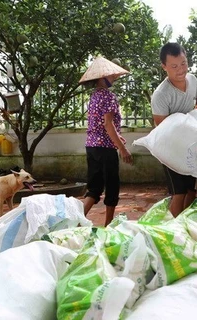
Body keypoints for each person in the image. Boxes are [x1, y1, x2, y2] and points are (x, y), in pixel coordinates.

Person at [151, 42, 197, 217]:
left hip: (189, 146)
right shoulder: (161, 94)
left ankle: (185, 226)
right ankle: (173, 234)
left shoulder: (192, 80)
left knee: (192, 190)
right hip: (168, 149)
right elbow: (163, 128)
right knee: (179, 193)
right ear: (164, 67)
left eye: (183, 63)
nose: (181, 70)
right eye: (174, 66)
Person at [78, 56, 133, 226]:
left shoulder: (94, 96)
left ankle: (75, 222)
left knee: (94, 189)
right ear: (102, 77)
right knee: (112, 187)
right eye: (111, 76)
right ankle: (108, 226)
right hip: (106, 149)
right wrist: (122, 148)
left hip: (92, 147)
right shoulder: (109, 96)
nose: (114, 78)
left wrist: (117, 136)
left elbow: (102, 125)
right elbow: (108, 124)